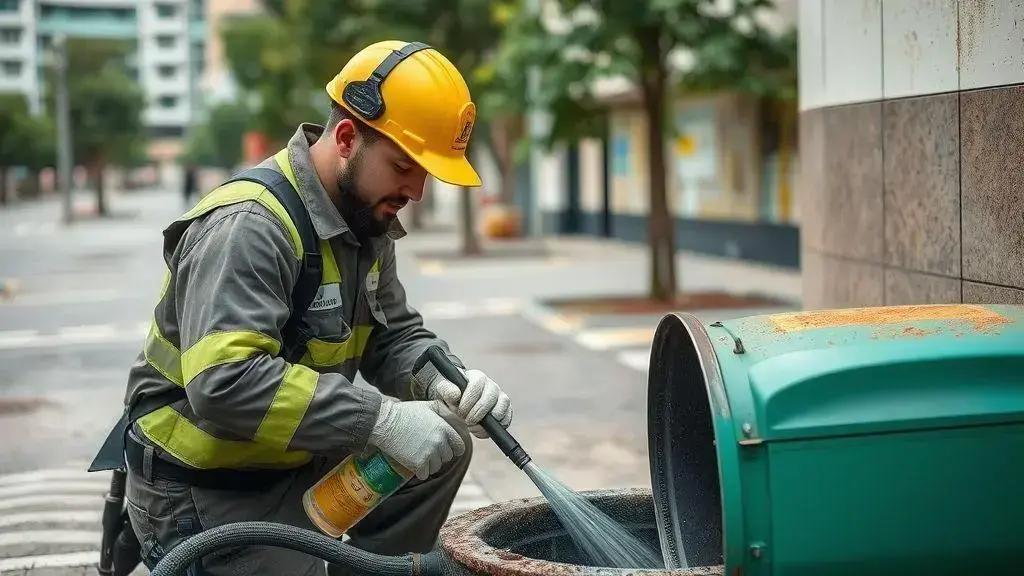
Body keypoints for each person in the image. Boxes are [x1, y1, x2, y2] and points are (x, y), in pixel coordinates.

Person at [111, 41, 511, 575]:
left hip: (290, 460)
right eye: (403, 166)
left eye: (426, 174)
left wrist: (445, 380)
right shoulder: (250, 225)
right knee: (403, 443)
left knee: (444, 444)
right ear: (346, 138)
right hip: (204, 489)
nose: (416, 190)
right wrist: (380, 419)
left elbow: (392, 335)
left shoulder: (364, 217)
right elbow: (226, 381)